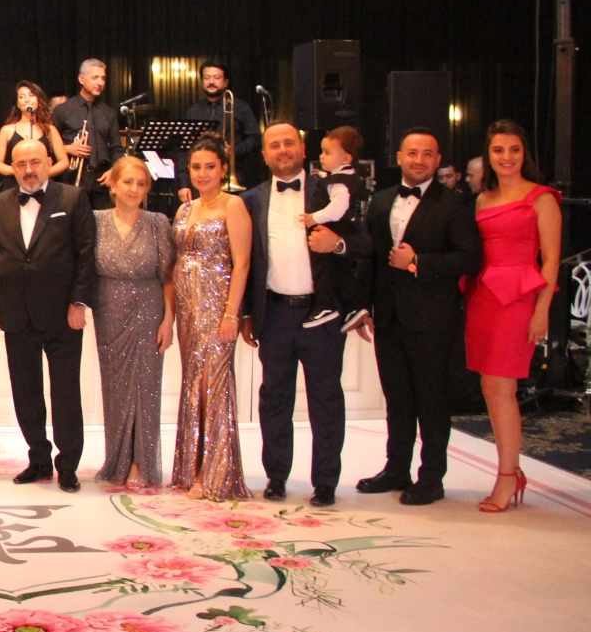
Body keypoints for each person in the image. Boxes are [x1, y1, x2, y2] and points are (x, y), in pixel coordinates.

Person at [240, 122, 370, 507]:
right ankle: (277, 476)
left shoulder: (330, 189)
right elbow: (242, 261)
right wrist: (246, 314)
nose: (282, 150)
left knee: (326, 400)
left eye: (289, 143)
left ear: (302, 149)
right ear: (264, 154)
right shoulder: (251, 200)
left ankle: (326, 481)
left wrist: (338, 243)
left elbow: (365, 242)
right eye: (274, 145)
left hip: (322, 315)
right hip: (275, 314)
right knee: (274, 398)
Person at [354, 128, 481, 507]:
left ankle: (431, 478)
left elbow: (469, 258)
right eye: (413, 153)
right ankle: (396, 469)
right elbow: (370, 259)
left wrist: (417, 263)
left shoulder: (454, 204)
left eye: (428, 154)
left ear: (438, 160)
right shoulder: (381, 200)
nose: (420, 160)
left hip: (433, 318)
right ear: (399, 157)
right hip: (389, 317)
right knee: (397, 399)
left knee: (432, 400)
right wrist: (364, 306)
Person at [0, 138, 98, 490]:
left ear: (48, 163)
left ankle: (69, 465)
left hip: (62, 314)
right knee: (25, 392)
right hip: (15, 314)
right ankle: (39, 460)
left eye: (35, 162)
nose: (28, 170)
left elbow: (86, 253)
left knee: (65, 393)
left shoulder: (73, 198)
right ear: (12, 168)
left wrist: (78, 303)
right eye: (21, 164)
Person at [467, 120, 561, 513]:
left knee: (500, 387)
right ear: (488, 156)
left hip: (519, 297)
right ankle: (511, 471)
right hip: (484, 296)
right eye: (499, 150)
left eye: (514, 150)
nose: (507, 157)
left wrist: (542, 310)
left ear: (525, 154)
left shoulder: (541, 198)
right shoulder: (482, 200)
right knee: (491, 388)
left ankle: (508, 475)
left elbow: (551, 260)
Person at [171, 139, 252, 500]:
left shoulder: (233, 205)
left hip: (217, 308)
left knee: (213, 386)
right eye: (196, 167)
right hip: (188, 309)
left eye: (209, 167)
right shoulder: (184, 209)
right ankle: (191, 468)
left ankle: (214, 473)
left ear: (223, 169)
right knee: (193, 384)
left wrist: (232, 313)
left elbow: (242, 263)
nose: (202, 174)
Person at [93, 156, 175, 490]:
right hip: (109, 311)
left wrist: (168, 319)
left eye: (141, 184)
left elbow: (168, 276)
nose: (134, 189)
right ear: (112, 185)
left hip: (148, 309)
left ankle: (142, 463)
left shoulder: (157, 222)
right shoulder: (95, 220)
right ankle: (118, 461)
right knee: (114, 388)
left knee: (145, 386)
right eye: (127, 182)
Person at [299, 126, 368, 330]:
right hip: (336, 229)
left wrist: (314, 218)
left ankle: (325, 305)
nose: (321, 156)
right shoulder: (341, 176)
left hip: (332, 231)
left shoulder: (340, 182)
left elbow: (338, 208)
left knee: (324, 269)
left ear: (346, 158)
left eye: (327, 153)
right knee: (341, 272)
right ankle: (353, 307)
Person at [176, 62, 262, 202]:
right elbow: (184, 149)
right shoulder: (193, 111)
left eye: (216, 77)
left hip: (234, 177)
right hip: (201, 181)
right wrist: (183, 184)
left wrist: (233, 151)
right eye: (207, 77)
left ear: (226, 82)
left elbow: (255, 138)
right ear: (202, 81)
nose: (211, 82)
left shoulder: (240, 107)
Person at [53, 58, 119, 209]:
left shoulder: (109, 112)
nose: (100, 82)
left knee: (103, 221)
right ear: (81, 78)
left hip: (102, 178)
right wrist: (67, 148)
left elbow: (116, 148)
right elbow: (47, 144)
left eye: (103, 78)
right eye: (95, 77)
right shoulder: (62, 110)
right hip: (72, 177)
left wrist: (114, 171)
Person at [0, 81, 70, 190]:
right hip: (14, 186)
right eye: (21, 97)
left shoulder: (50, 130)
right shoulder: (7, 130)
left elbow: (64, 161)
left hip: (43, 186)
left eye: (31, 95)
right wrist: (20, 172)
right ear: (17, 103)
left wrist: (43, 173)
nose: (27, 99)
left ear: (38, 100)